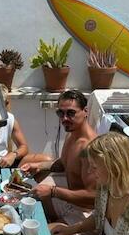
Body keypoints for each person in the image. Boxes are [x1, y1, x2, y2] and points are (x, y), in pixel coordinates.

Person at [20, 90, 97, 224]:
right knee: (24, 199)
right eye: (60, 113)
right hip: (68, 194)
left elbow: (94, 197)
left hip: (85, 211)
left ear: (85, 111)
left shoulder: (89, 148)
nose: (65, 118)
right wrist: (38, 166)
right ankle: (52, 217)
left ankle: (55, 221)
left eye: (71, 113)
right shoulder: (72, 133)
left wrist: (53, 192)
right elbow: (63, 163)